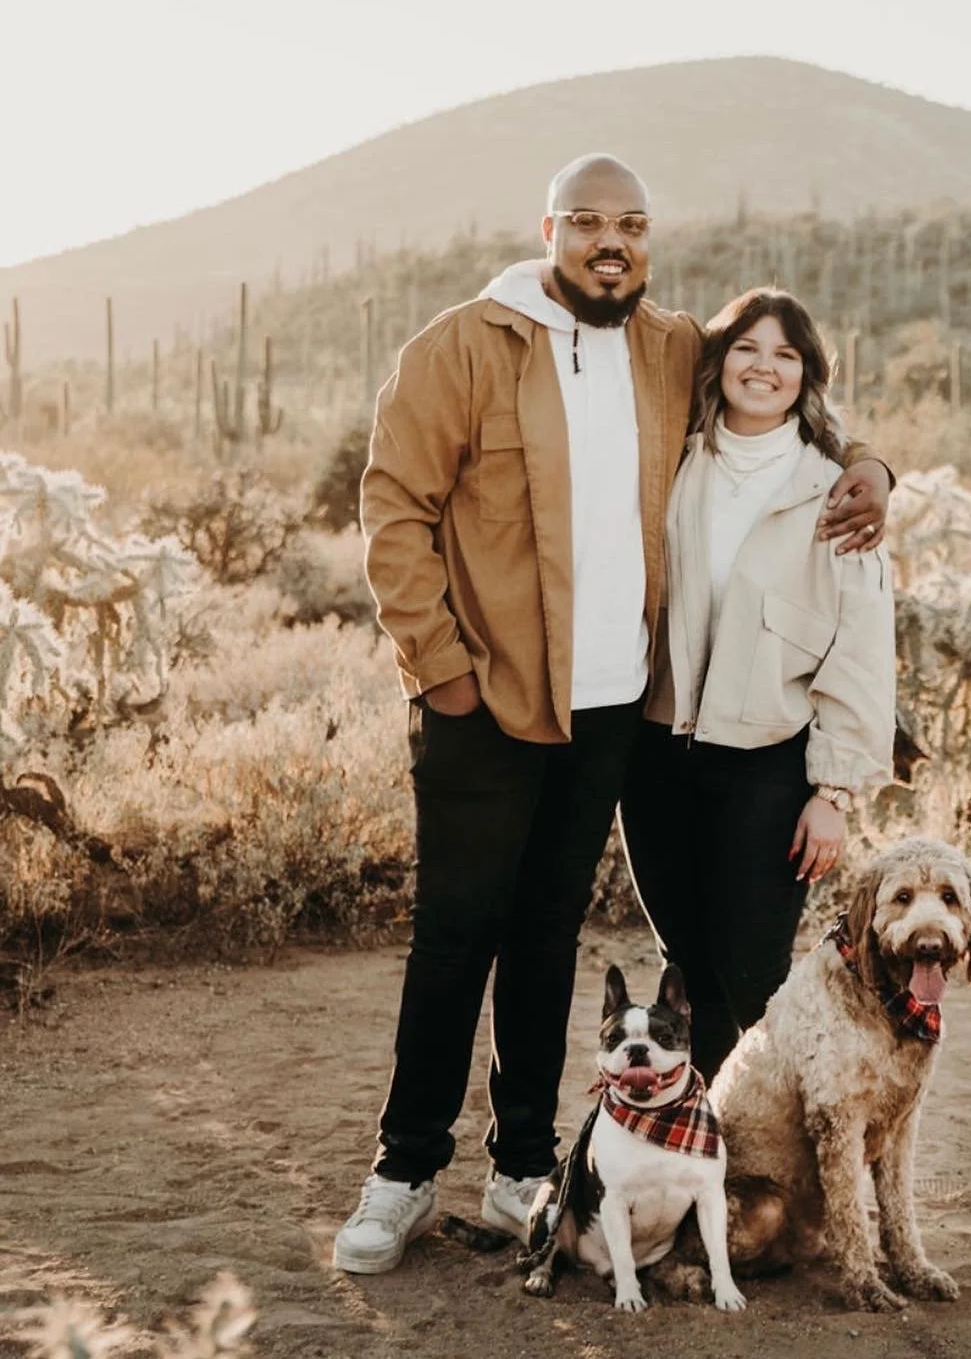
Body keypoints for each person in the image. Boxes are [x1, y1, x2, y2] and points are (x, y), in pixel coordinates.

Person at [332, 155, 893, 1274]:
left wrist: (874, 466)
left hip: (607, 719)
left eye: (630, 224)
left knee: (546, 937)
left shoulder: (664, 346)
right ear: (548, 227)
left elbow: (775, 388)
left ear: (649, 239)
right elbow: (392, 505)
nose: (610, 241)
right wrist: (441, 670)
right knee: (455, 937)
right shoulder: (463, 345)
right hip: (482, 700)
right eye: (586, 221)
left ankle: (522, 1167)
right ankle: (402, 1170)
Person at [621, 288, 896, 1086]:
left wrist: (833, 792)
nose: (764, 367)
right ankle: (699, 1150)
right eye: (747, 348)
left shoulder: (836, 494)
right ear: (720, 360)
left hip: (768, 765)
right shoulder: (672, 466)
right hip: (659, 751)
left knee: (750, 975)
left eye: (785, 354)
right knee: (686, 964)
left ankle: (793, 1142)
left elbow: (861, 654)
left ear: (807, 373)